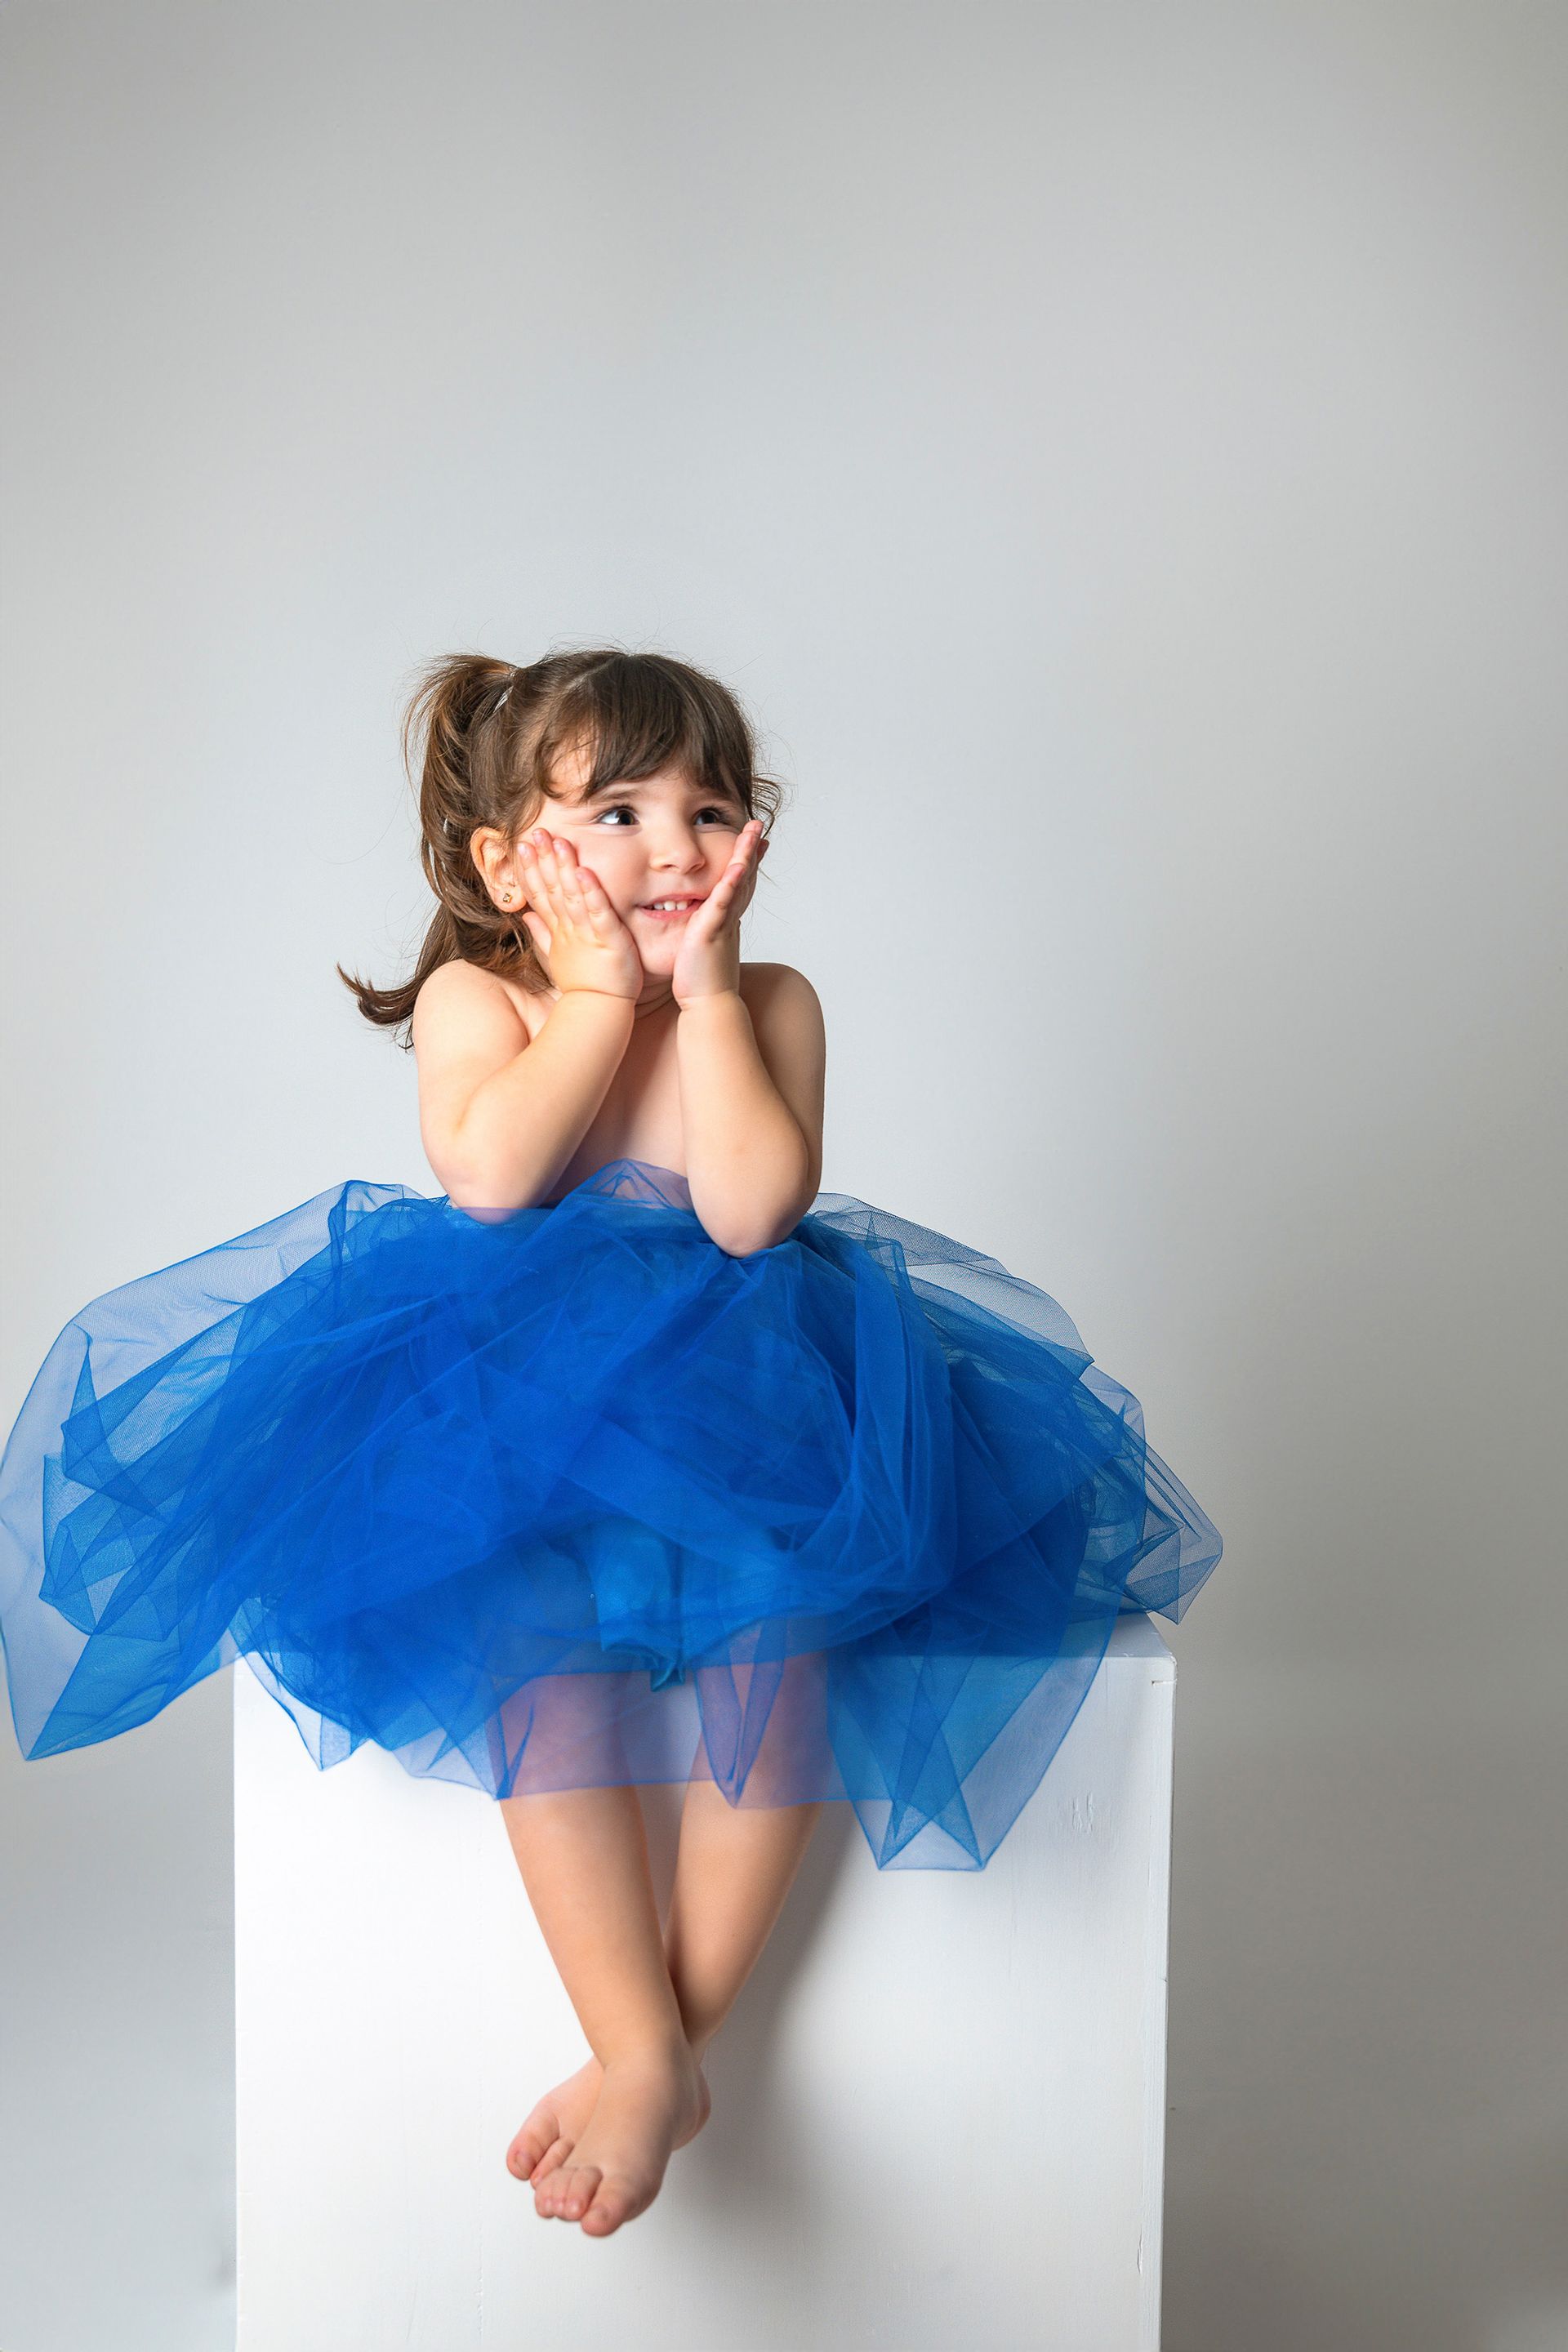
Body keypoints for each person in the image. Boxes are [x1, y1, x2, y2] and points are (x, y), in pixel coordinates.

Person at [0, 646, 1223, 2238]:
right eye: (622, 813)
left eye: (713, 811)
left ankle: (658, 2054)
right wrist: (590, 1000)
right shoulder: (484, 997)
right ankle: (642, 2042)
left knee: (786, 1641)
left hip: (758, 1414)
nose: (676, 848)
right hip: (521, 1427)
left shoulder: (770, 1003)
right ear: (512, 866)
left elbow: (751, 1209)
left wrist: (702, 1000)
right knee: (536, 1652)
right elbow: (493, 1176)